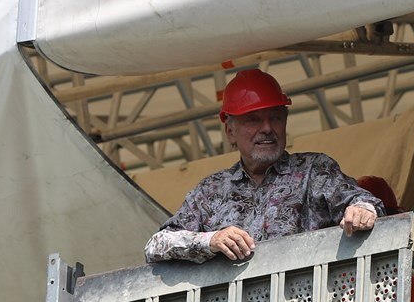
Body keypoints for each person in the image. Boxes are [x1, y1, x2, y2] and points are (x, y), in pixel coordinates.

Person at [144, 69, 382, 263]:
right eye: (254, 120)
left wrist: (361, 210)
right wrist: (211, 240)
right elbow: (156, 245)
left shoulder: (314, 170)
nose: (267, 128)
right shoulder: (210, 190)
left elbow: (366, 203)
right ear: (230, 132)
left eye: (275, 117)